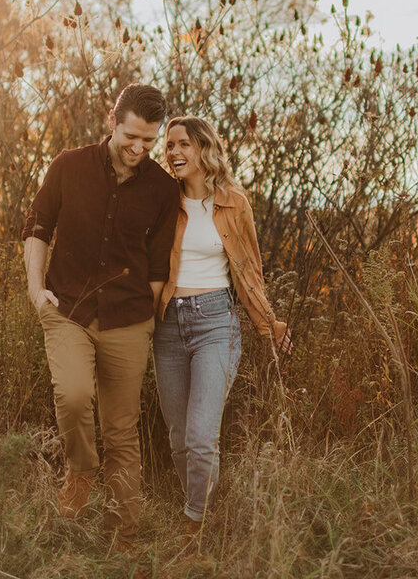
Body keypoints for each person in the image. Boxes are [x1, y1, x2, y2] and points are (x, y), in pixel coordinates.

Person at [22, 83, 179, 550]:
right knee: (72, 397)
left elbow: (157, 266)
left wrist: (146, 319)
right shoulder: (69, 165)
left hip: (129, 320)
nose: (139, 148)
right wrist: (35, 289)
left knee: (121, 430)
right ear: (113, 120)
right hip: (67, 307)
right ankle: (81, 471)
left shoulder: (163, 189)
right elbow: (37, 227)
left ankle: (121, 539)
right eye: (132, 135)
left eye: (150, 140)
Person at [154, 115, 291, 538]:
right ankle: (199, 504)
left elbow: (251, 270)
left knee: (200, 436)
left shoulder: (234, 202)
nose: (174, 152)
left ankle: (195, 524)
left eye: (183, 145)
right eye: (169, 146)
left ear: (203, 148)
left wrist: (270, 325)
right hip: (168, 326)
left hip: (217, 321)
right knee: (179, 438)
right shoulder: (162, 201)